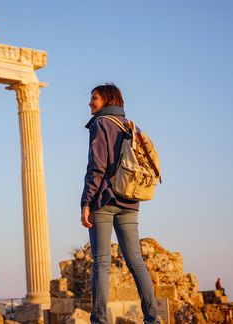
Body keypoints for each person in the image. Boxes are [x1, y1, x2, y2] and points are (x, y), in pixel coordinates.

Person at [80, 83, 160, 324]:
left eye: (94, 98)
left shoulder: (100, 124)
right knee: (137, 262)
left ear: (106, 99)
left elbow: (96, 166)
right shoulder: (130, 126)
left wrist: (86, 202)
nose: (90, 102)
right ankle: (153, 319)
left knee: (101, 264)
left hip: (103, 199)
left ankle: (100, 321)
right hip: (130, 199)